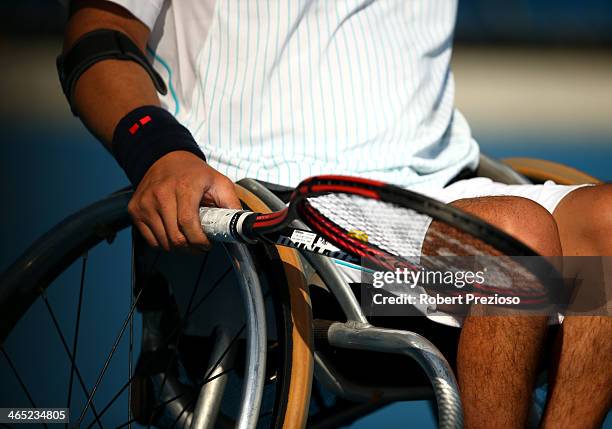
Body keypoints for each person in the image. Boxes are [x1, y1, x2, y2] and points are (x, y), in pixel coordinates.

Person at [60, 0, 611, 427]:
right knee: (509, 247)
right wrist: (160, 154)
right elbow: (98, 35)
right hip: (268, 203)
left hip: (432, 187)